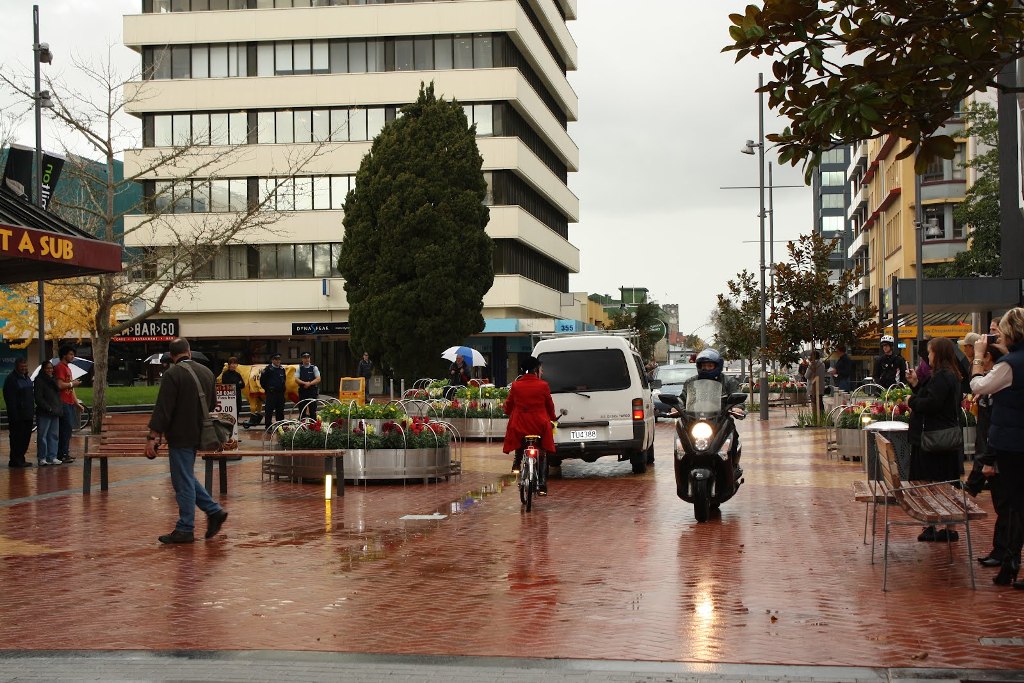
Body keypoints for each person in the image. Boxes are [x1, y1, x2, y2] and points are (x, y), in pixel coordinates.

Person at [145, 337, 228, 544]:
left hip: (179, 435)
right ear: (189, 352)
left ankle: (186, 527)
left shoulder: (172, 374)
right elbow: (211, 404)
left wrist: (152, 437)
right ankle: (213, 511)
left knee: (182, 481)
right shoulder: (207, 372)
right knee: (185, 477)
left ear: (172, 356)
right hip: (199, 432)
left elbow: (163, 409)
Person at [970, 308, 1024, 588]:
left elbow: (979, 385)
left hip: (1011, 445)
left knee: (1015, 505)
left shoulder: (1009, 365)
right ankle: (1010, 562)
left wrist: (978, 358)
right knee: (1017, 506)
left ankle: (1010, 562)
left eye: (1000, 331)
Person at [906, 336, 965, 543]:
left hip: (935, 440)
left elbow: (931, 403)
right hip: (938, 439)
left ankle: (941, 526)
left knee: (933, 481)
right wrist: (916, 385)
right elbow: (931, 396)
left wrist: (911, 400)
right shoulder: (945, 375)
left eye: (930, 352)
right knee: (938, 481)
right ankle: (939, 525)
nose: (927, 356)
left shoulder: (943, 376)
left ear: (938, 354)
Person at [965, 340, 1009, 569]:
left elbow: (977, 386)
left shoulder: (1004, 374)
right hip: (995, 447)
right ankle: (1003, 552)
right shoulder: (1001, 375)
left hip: (1001, 449)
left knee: (1007, 506)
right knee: (1004, 506)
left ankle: (1005, 554)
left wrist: (977, 360)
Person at [677, 348, 743, 475]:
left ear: (717, 366)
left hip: (720, 419)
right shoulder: (691, 382)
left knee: (733, 436)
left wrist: (738, 407)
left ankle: (733, 465)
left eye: (709, 365)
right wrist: (676, 406)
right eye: (703, 365)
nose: (706, 368)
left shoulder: (728, 381)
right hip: (695, 420)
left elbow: (737, 395)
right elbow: (683, 397)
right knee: (683, 441)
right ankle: (683, 469)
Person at [503, 355, 557, 496]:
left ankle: (516, 462)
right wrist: (552, 419)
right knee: (543, 452)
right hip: (539, 424)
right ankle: (543, 483)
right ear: (535, 369)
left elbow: (509, 405)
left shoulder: (516, 385)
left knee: (521, 439)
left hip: (520, 423)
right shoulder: (543, 385)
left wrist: (507, 411)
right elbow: (549, 406)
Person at [3, 358, 35, 468]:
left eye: (25, 366)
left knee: (25, 438)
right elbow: (10, 399)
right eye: (22, 367)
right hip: (17, 416)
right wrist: (14, 415)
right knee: (17, 439)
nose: (24, 368)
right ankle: (15, 460)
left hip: (28, 414)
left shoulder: (27, 378)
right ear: (17, 366)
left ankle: (21, 458)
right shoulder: (11, 379)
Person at [54, 345, 83, 464]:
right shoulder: (60, 367)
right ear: (64, 355)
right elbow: (60, 385)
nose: (72, 356)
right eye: (70, 354)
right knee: (65, 429)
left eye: (73, 354)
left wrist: (76, 403)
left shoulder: (68, 368)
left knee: (68, 429)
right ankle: (62, 454)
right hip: (63, 402)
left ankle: (64, 452)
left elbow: (72, 389)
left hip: (69, 402)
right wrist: (72, 384)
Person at [33, 360, 63, 466]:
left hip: (55, 411)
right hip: (44, 412)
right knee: (43, 435)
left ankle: (52, 456)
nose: (50, 370)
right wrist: (48, 408)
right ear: (43, 369)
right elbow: (38, 397)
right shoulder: (39, 380)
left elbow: (57, 395)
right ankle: (42, 457)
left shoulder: (54, 379)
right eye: (47, 368)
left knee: (54, 435)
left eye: (51, 368)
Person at [260, 353, 287, 425]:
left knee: (280, 411)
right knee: (269, 411)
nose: (278, 361)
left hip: (280, 393)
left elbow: (284, 380)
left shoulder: (282, 369)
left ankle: (280, 426)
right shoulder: (268, 369)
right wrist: (268, 389)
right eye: (276, 359)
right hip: (271, 393)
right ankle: (268, 426)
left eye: (279, 359)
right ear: (272, 360)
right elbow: (262, 382)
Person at [217, 356, 246, 421]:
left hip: (238, 396)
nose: (234, 365)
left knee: (238, 409)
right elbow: (227, 385)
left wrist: (235, 385)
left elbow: (243, 385)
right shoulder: (225, 374)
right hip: (229, 397)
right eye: (232, 363)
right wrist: (237, 384)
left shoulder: (238, 374)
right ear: (229, 364)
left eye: (235, 363)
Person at [296, 352, 321, 420]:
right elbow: (296, 379)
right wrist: (304, 383)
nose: (307, 359)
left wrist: (309, 384)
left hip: (312, 391)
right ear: (302, 359)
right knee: (302, 410)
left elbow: (318, 379)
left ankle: (313, 426)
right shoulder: (299, 368)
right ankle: (302, 426)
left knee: (313, 410)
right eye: (305, 358)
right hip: (303, 391)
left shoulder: (314, 368)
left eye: (308, 357)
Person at [804, 349, 826, 415]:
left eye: (810, 355)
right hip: (821, 386)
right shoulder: (822, 364)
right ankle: (822, 417)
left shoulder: (812, 364)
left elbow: (806, 376)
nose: (809, 357)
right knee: (820, 403)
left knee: (815, 404)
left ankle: (816, 418)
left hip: (813, 387)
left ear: (813, 356)